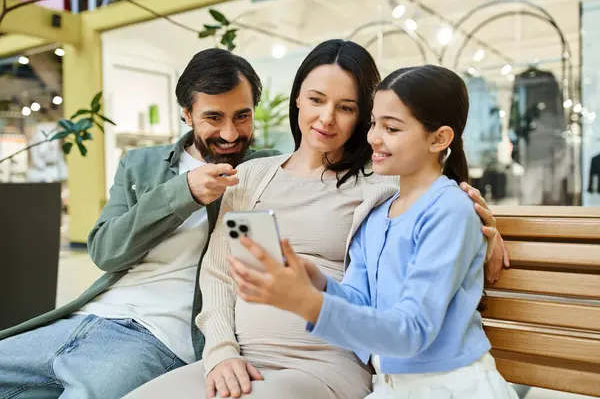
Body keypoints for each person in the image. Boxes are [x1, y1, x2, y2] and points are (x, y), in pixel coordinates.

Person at [125, 40, 507, 399]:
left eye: (346, 107)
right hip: (242, 359)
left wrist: (487, 230)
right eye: (316, 100)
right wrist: (222, 351)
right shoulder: (253, 177)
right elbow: (222, 273)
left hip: (325, 363)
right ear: (297, 100)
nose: (327, 118)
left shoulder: (381, 180)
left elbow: (439, 200)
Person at [0, 48, 280, 399]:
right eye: (213, 117)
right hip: (87, 317)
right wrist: (183, 192)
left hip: (159, 337)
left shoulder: (266, 170)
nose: (229, 133)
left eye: (242, 116)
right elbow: (105, 251)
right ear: (187, 114)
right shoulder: (140, 165)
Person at [229, 65, 519, 398]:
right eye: (373, 123)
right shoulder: (378, 214)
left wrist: (311, 304)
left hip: (452, 386)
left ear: (439, 138)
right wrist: (318, 284)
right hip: (391, 386)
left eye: (391, 128)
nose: (373, 138)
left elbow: (413, 331)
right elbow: (363, 302)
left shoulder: (450, 210)